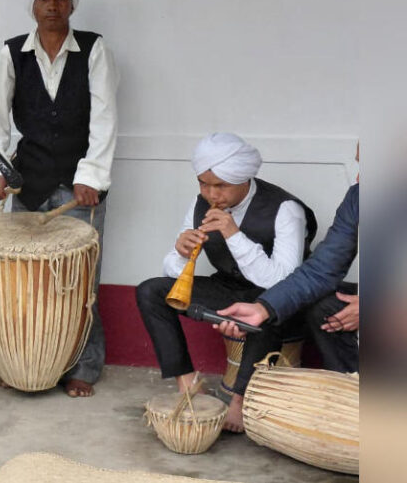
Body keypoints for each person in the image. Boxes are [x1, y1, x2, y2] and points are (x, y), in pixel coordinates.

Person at [0, 0, 119, 397]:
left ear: (72, 2)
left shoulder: (95, 50)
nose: (53, 5)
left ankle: (84, 367)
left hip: (80, 189)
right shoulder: (11, 53)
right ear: (32, 5)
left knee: (80, 283)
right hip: (30, 182)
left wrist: (91, 176)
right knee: (28, 281)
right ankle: (26, 361)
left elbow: (105, 118)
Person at [135, 133, 317, 432]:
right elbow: (172, 269)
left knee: (264, 313)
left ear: (244, 178)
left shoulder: (286, 209)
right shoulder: (200, 204)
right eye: (203, 184)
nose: (211, 194)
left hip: (276, 302)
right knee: (151, 291)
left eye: (220, 185)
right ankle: (189, 384)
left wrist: (234, 234)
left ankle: (240, 400)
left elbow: (283, 280)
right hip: (231, 291)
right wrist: (181, 251)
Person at [217, 146, 360, 373]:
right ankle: (352, 393)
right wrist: (263, 308)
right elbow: (321, 270)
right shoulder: (358, 197)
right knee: (327, 307)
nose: (359, 177)